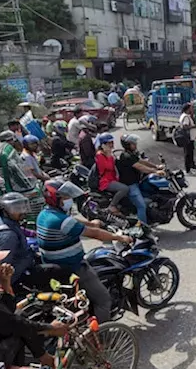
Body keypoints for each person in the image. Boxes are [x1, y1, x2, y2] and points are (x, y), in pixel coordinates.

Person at [35, 179, 131, 318]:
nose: (69, 200)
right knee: (103, 299)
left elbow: (73, 221)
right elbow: (96, 235)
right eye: (66, 197)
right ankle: (104, 336)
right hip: (73, 267)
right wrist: (120, 238)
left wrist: (90, 223)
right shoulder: (62, 221)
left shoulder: (44, 214)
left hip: (53, 266)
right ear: (55, 199)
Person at [116, 135, 165, 226]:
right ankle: (143, 228)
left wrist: (156, 166)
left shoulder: (131, 154)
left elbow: (142, 161)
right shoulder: (126, 156)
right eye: (133, 144)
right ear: (127, 145)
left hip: (137, 183)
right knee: (141, 206)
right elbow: (140, 167)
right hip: (131, 185)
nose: (135, 145)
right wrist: (155, 172)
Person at [94, 133, 129, 216]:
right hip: (106, 181)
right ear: (103, 144)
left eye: (111, 143)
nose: (111, 145)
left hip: (112, 178)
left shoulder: (109, 154)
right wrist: (109, 155)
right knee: (125, 189)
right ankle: (112, 205)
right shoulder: (100, 155)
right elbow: (106, 167)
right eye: (108, 143)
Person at [176, 101, 196, 173]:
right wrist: (194, 126)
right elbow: (185, 126)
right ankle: (188, 168)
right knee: (188, 153)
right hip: (188, 137)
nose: (192, 109)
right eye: (191, 108)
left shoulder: (184, 115)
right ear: (187, 109)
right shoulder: (185, 117)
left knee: (190, 152)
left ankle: (191, 165)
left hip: (189, 137)